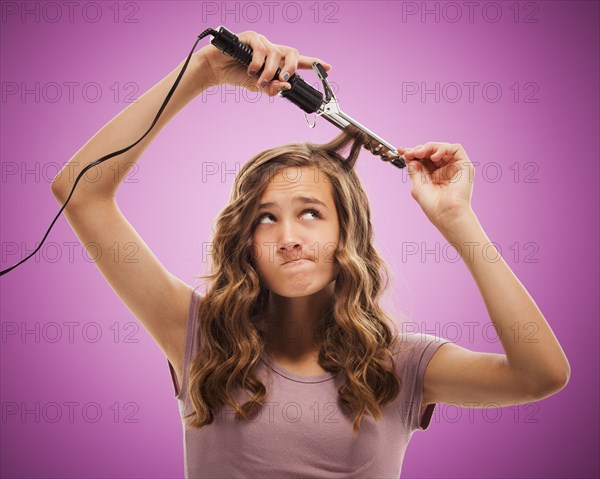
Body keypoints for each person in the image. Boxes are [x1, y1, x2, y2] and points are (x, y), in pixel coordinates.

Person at [51, 31, 571, 478]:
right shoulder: (199, 338)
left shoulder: (401, 364)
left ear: (347, 236)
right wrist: (204, 70)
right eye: (265, 217)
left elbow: (540, 374)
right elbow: (79, 191)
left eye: (310, 213)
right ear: (246, 245)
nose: (288, 235)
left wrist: (458, 220)